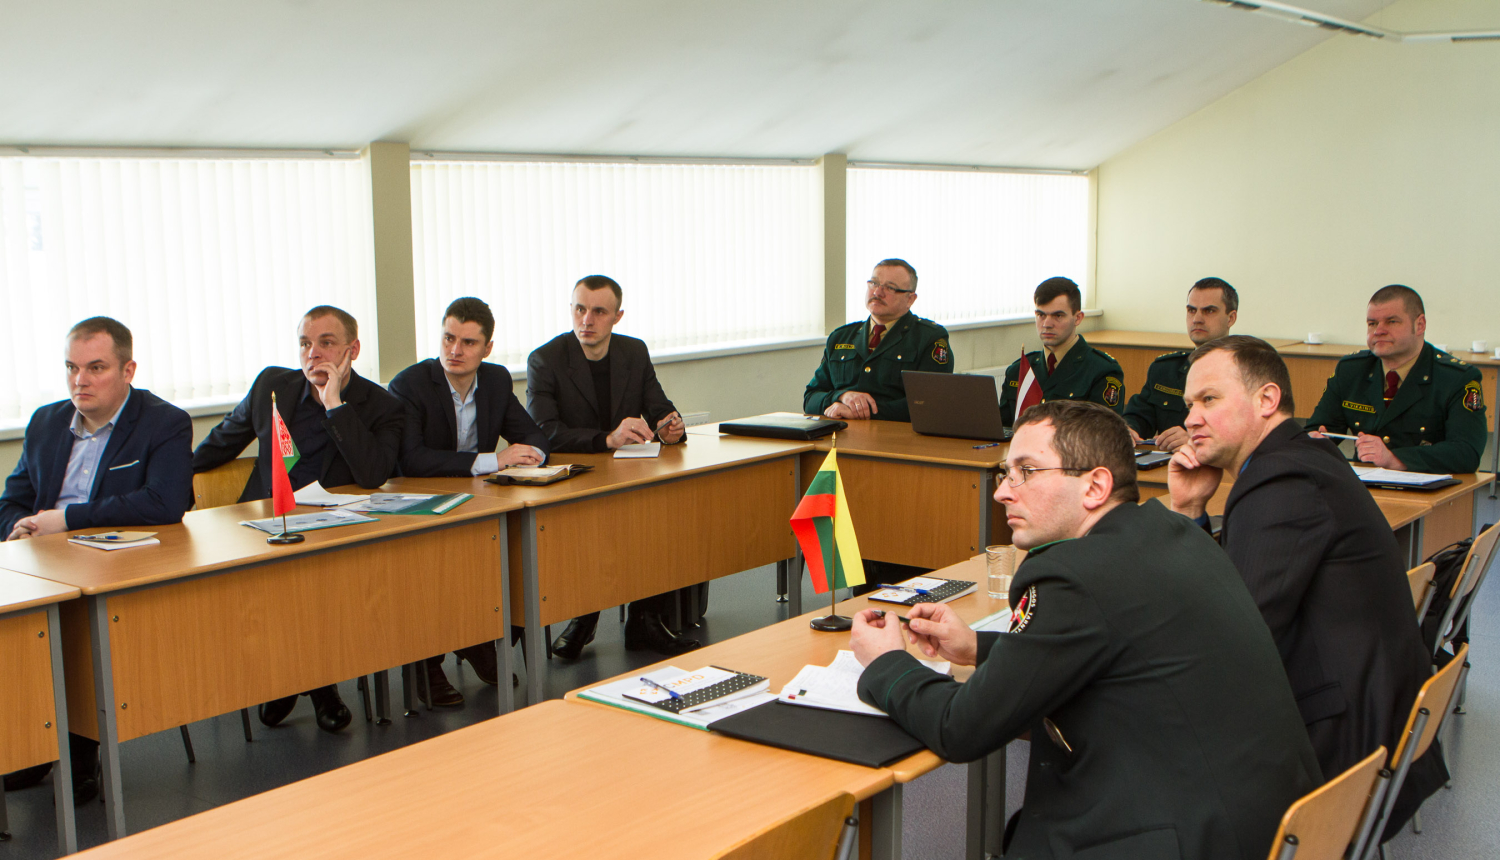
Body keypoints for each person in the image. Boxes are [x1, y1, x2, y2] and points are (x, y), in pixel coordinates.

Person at [850, 400, 1319, 860]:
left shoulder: (1072, 575)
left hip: (1173, 836)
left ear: (1095, 486)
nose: (1002, 492)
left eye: (1027, 472)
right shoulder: (1167, 532)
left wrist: (888, 663)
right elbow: (1104, 645)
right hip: (1265, 824)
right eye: (1005, 473)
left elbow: (963, 729)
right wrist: (977, 646)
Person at [1168, 335, 1447, 838]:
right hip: (1372, 720)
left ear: (1266, 400)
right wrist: (1191, 511)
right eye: (1189, 404)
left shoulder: (1280, 481)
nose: (1190, 419)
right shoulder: (1303, 455)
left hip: (1337, 743)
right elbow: (1235, 597)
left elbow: (1236, 635)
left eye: (1209, 399)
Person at [0, 317, 193, 806]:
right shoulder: (46, 421)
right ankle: (29, 741)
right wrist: (19, 529)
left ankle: (78, 757)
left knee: (76, 630)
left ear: (128, 369)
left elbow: (166, 502)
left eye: (96, 368)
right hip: (39, 562)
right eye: (71, 367)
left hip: (116, 568)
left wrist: (65, 520)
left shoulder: (163, 422)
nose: (79, 380)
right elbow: (12, 499)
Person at [192, 305, 405, 733]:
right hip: (266, 525)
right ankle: (313, 684)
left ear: (352, 350)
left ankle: (295, 683)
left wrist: (334, 406)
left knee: (311, 585)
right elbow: (222, 443)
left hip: (334, 530)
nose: (313, 354)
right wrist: (165, 491)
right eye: (305, 344)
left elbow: (373, 474)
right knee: (269, 586)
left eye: (326, 343)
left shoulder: (381, 405)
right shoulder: (274, 385)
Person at [526, 275, 700, 659]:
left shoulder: (633, 353)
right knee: (599, 526)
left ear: (617, 317)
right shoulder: (546, 359)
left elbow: (659, 408)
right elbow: (544, 433)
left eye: (598, 311)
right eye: (579, 308)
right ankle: (584, 616)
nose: (586, 319)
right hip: (575, 477)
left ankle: (646, 618)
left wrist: (671, 428)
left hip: (629, 474)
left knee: (660, 512)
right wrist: (607, 439)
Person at [389, 296, 548, 705]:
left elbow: (534, 435)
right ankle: (427, 665)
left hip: (477, 504)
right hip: (421, 508)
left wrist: (533, 456)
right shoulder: (410, 385)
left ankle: (478, 642)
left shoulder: (495, 381)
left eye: (468, 343)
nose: (455, 351)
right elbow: (412, 459)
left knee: (521, 559)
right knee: (435, 578)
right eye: (448, 338)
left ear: (487, 348)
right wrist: (494, 460)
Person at [1306, 284, 1486, 473]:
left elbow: (1466, 452)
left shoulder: (1456, 378)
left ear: (1420, 325)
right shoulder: (1351, 371)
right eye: (1372, 323)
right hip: (1363, 489)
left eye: (1391, 321)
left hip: (1427, 490)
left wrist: (1394, 459)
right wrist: (1315, 440)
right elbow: (1318, 429)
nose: (1378, 331)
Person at [803, 259, 952, 421]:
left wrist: (861, 411)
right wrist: (841, 396)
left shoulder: (929, 338)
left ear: (910, 299)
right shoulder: (841, 337)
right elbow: (811, 398)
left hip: (896, 440)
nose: (877, 292)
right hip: (839, 437)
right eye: (874, 283)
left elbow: (928, 404)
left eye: (890, 287)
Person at [1123, 277, 1239, 451]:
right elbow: (1140, 415)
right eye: (1191, 310)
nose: (1197, 319)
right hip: (1168, 466)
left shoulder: (1244, 372)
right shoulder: (1165, 370)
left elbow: (1247, 433)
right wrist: (1128, 429)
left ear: (1231, 318)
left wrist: (1196, 439)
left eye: (1209, 311)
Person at [1000, 277, 1124, 425]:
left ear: (1078, 318)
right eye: (1041, 315)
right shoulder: (1019, 369)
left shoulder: (1101, 370)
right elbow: (1003, 428)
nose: (1046, 324)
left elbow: (1103, 433)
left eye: (1058, 316)